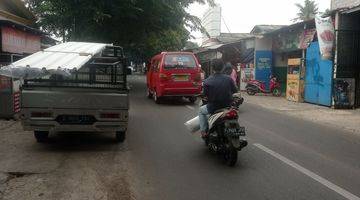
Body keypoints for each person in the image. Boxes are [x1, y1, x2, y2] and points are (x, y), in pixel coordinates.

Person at [198, 59, 238, 138]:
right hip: (228, 106)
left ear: (212, 68)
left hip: (214, 107)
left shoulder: (207, 81)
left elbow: (204, 94)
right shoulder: (229, 79)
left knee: (201, 111)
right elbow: (235, 90)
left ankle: (203, 131)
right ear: (223, 67)